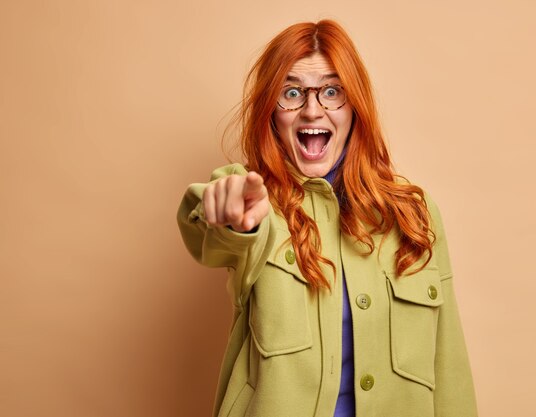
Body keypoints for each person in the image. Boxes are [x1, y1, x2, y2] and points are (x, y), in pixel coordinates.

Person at [177, 20, 478, 417]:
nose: (312, 109)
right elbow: (213, 231)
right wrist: (230, 215)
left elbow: (449, 365)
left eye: (332, 91)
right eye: (292, 92)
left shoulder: (415, 215)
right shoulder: (256, 202)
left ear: (355, 107)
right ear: (271, 112)